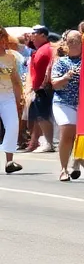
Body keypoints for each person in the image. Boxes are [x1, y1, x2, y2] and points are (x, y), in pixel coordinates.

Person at [49, 31, 84, 182]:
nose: (74, 44)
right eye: (71, 41)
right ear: (66, 44)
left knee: (81, 135)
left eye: (77, 41)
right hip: (63, 102)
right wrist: (66, 77)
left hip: (83, 104)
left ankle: (80, 161)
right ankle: (64, 169)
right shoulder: (61, 62)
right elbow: (55, 84)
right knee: (68, 132)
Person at [24, 25, 56, 153]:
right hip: (39, 88)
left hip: (44, 88)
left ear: (43, 35)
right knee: (40, 117)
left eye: (34, 34)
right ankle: (44, 141)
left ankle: (49, 143)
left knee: (44, 117)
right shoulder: (41, 49)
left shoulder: (47, 49)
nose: (32, 36)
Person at [0, 29, 23, 173]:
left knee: (13, 125)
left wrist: (20, 98)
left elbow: (15, 80)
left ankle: (10, 161)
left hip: (7, 96)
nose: (2, 43)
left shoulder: (10, 57)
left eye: (3, 39)